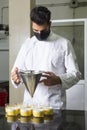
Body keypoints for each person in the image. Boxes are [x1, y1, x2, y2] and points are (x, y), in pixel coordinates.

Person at [11, 6, 81, 109]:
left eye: (42, 31)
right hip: (30, 106)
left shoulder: (63, 44)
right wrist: (16, 79)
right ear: (32, 24)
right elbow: (16, 72)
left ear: (49, 24)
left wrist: (58, 79)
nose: (39, 34)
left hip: (53, 105)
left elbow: (76, 74)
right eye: (35, 30)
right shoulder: (27, 45)